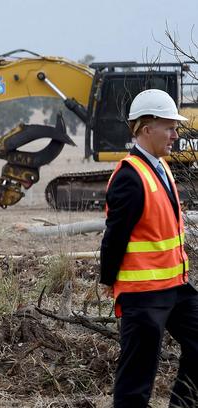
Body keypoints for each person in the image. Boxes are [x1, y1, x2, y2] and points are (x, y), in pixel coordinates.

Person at [100, 88, 198, 408]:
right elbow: (114, 236)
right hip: (143, 292)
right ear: (146, 129)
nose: (174, 135)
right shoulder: (130, 175)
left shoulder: (160, 166)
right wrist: (108, 281)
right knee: (136, 380)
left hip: (175, 287)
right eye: (169, 128)